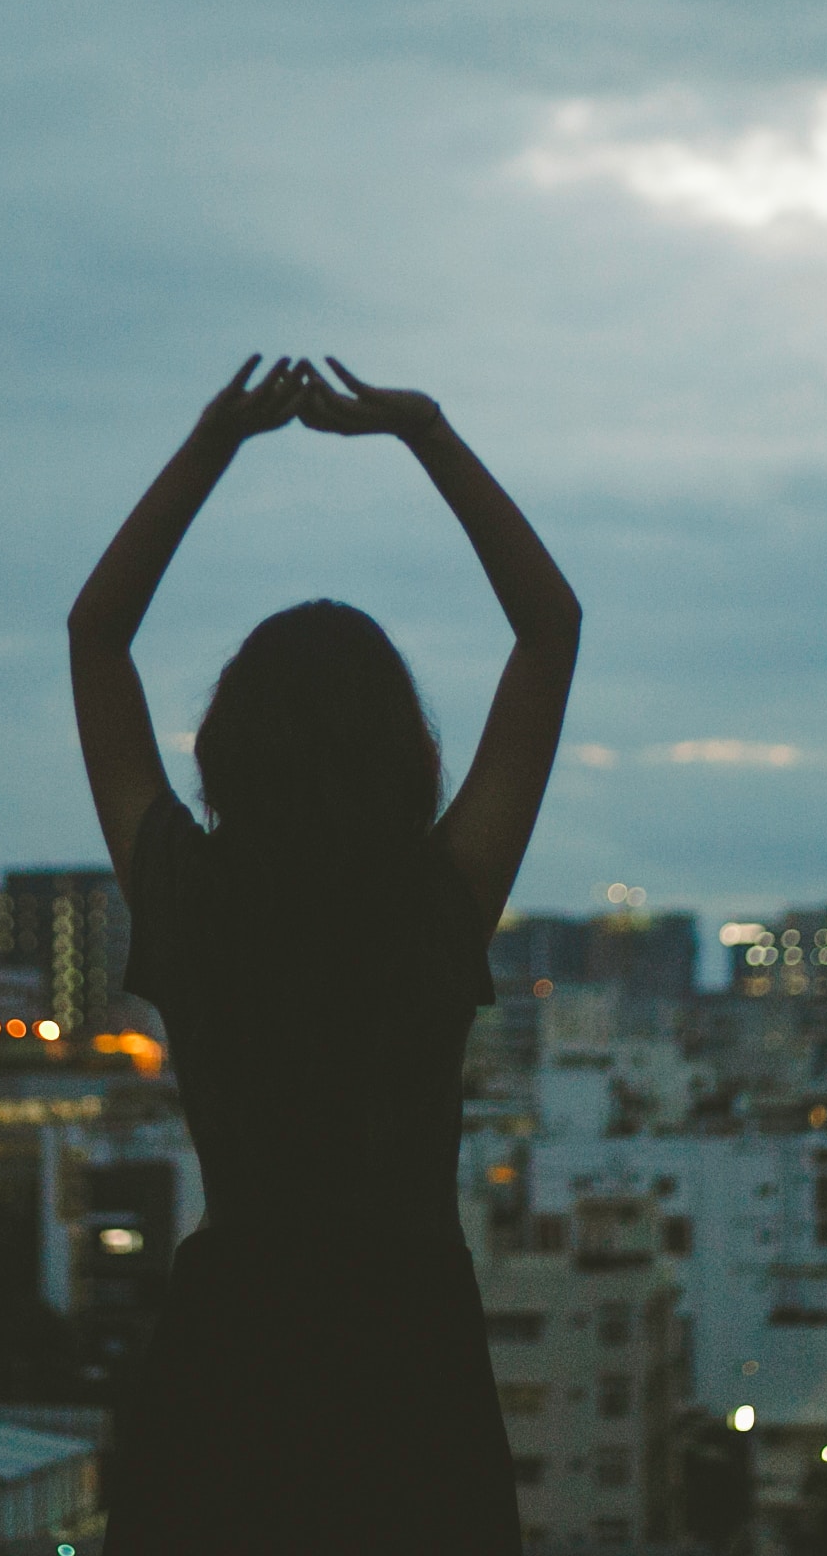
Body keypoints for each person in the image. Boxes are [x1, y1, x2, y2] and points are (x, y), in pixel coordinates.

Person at [71, 357, 581, 1553]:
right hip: (408, 1354)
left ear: (229, 743)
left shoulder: (187, 892)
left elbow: (98, 637)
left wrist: (213, 443)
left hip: (230, 1351)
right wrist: (426, 433)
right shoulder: (439, 897)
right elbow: (549, 629)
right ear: (405, 746)